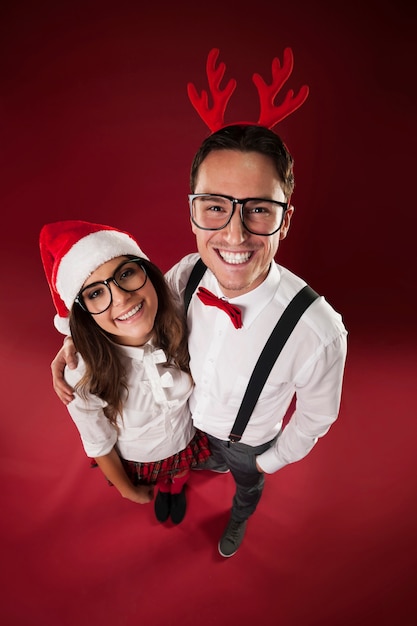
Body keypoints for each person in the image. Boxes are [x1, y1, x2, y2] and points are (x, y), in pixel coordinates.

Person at [50, 125, 347, 557]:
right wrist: (74, 341)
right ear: (192, 211)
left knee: (247, 487)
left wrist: (268, 461)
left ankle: (241, 513)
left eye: (259, 209)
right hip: (190, 430)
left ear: (285, 221)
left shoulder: (319, 332)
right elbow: (137, 313)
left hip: (250, 443)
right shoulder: (189, 273)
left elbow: (317, 418)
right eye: (214, 207)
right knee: (188, 468)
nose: (234, 235)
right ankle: (188, 481)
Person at [40, 219, 210, 526]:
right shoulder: (80, 374)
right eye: (94, 294)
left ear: (147, 273)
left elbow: (217, 256)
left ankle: (176, 490)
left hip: (185, 438)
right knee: (159, 483)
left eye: (126, 273)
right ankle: (164, 491)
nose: (120, 298)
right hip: (139, 457)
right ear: (82, 313)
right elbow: (98, 441)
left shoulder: (179, 307)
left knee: (180, 474)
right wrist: (127, 490)